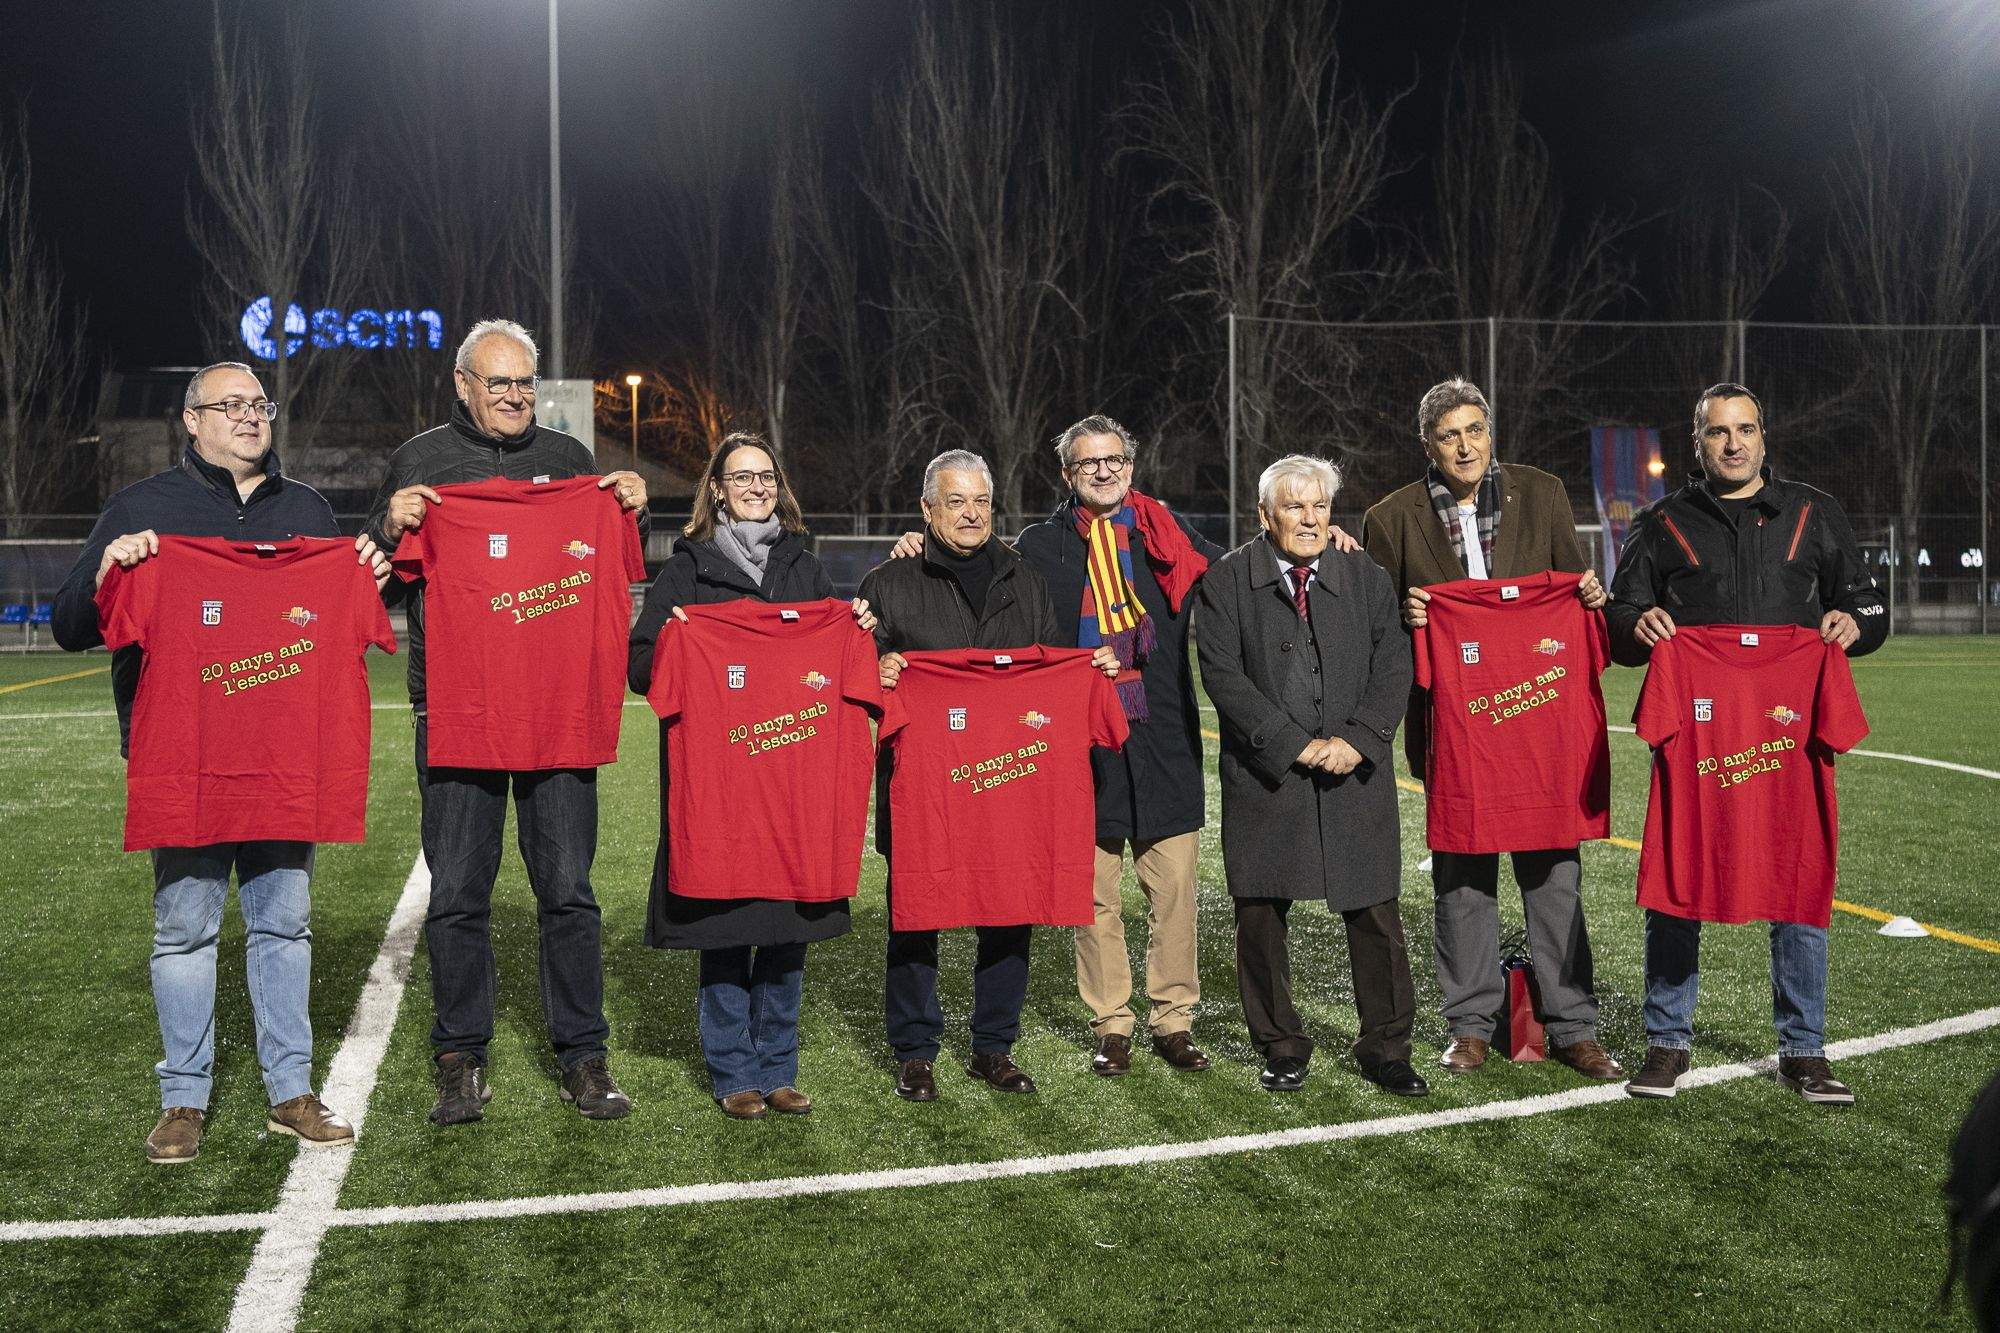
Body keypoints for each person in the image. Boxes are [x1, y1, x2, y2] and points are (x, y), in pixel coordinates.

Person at [52, 361, 389, 1164]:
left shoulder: (307, 509)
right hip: (186, 758)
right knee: (184, 929)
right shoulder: (141, 510)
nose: (248, 416)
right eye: (229, 405)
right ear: (191, 421)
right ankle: (183, 1095)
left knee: (284, 922)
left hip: (283, 758)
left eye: (259, 404)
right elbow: (70, 622)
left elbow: (358, 617)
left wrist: (368, 572)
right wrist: (110, 569)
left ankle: (290, 1088)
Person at [364, 319, 650, 1126]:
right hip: (457, 707)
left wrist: (631, 508)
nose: (516, 396)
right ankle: (460, 1057)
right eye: (500, 383)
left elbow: (618, 566)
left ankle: (584, 1055)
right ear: (462, 384)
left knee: (568, 887)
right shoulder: (418, 461)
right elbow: (371, 579)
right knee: (457, 890)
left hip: (558, 707)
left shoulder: (571, 465)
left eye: (525, 382)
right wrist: (388, 525)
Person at [1607, 381, 1887, 1103]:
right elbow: (1620, 615)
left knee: (1797, 879)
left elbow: (1867, 599)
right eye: (1717, 432)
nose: (1733, 443)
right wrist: (1637, 627)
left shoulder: (1813, 512)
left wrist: (1855, 624)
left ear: (1765, 437)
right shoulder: (1662, 521)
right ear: (1696, 443)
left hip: (1786, 734)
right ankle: (1667, 1042)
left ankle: (1804, 1048)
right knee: (1678, 879)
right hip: (1699, 728)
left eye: (1746, 429)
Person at [1360, 377, 1622, 1082]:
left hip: (1539, 726)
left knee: (1555, 876)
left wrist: (1591, 593)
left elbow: (1574, 586)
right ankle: (1470, 1025)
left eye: (1475, 430)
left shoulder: (1542, 492)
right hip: (1457, 726)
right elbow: (1373, 623)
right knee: (1462, 881)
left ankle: (1573, 1025)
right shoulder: (1390, 517)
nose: (1465, 444)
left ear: (1491, 434)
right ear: (1428, 445)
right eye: (1450, 435)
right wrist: (1405, 614)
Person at [626, 432, 876, 1120]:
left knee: (788, 930)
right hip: (727, 792)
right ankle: (733, 1069)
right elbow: (642, 666)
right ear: (717, 489)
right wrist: (675, 635)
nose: (757, 486)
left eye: (766, 475)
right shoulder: (688, 569)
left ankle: (780, 1067)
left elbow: (845, 657)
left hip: (794, 790)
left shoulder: (806, 568)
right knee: (727, 928)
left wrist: (854, 622)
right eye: (743, 477)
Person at [859, 449, 1117, 1101]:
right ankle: (915, 1049)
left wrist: (1090, 670)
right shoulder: (886, 584)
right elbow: (850, 672)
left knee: (1010, 912)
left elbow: (1051, 662)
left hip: (1011, 784)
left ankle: (992, 1046)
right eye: (956, 501)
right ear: (926, 509)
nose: (971, 514)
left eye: (981, 502)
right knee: (915, 915)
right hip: (925, 787)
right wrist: (879, 669)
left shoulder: (1024, 580)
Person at [1196, 455, 1426, 1097]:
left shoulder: (1364, 575)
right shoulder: (1228, 581)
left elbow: (1394, 664)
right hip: (1269, 775)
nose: (1309, 518)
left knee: (1375, 911)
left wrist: (1359, 740)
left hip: (1355, 773)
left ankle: (1386, 1046)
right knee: (1262, 913)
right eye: (1294, 507)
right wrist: (1294, 745)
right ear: (1265, 515)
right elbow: (1222, 677)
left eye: (1319, 506)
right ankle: (1280, 1044)